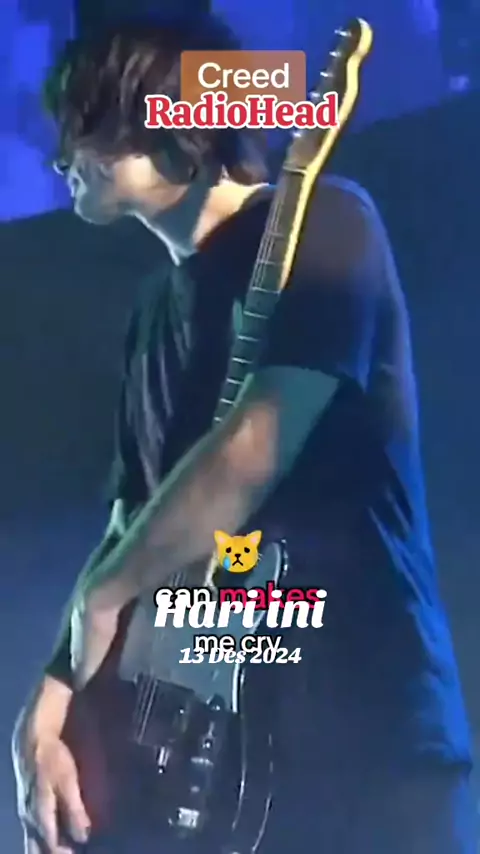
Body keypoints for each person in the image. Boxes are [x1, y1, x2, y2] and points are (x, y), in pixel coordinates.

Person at [12, 11, 475, 854]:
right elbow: (131, 524)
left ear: (174, 133)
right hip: (216, 780)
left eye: (85, 123)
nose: (59, 156)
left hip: (366, 749)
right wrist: (47, 703)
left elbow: (254, 448)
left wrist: (103, 596)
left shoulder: (328, 221)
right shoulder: (151, 315)